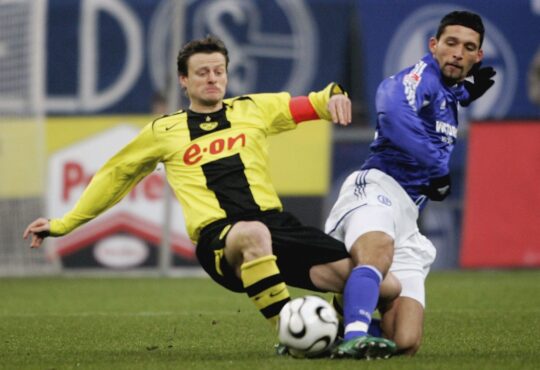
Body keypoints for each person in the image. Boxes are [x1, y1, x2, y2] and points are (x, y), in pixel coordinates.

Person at [23, 36, 398, 359]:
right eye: (202, 72)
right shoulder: (163, 130)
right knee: (252, 233)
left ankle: (344, 332)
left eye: (219, 70)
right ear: (183, 81)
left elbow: (314, 102)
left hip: (278, 227)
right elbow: (113, 177)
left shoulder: (253, 110)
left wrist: (335, 95)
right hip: (220, 239)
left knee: (383, 286)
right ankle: (292, 333)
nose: (212, 78)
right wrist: (64, 224)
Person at [325, 11, 495, 356]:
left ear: (478, 57)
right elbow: (392, 108)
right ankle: (353, 334)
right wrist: (436, 167)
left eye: (468, 47)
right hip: (377, 188)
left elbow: (440, 99)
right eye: (450, 43)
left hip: (408, 214)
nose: (457, 53)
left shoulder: (448, 93)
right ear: (433, 45)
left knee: (404, 341)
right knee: (377, 251)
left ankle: (324, 328)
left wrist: (462, 93)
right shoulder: (419, 76)